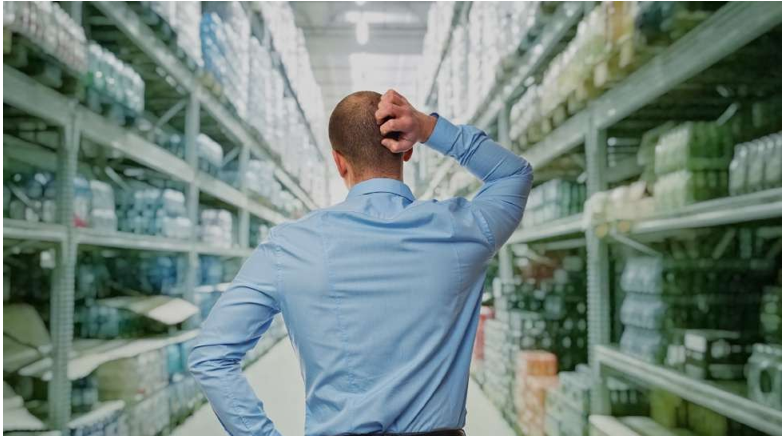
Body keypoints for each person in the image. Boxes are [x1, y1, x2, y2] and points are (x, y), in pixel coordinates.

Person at [189, 89, 534, 436]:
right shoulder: (460, 230)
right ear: (407, 148)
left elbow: (211, 355)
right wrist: (430, 128)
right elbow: (513, 175)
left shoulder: (289, 247)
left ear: (339, 162)